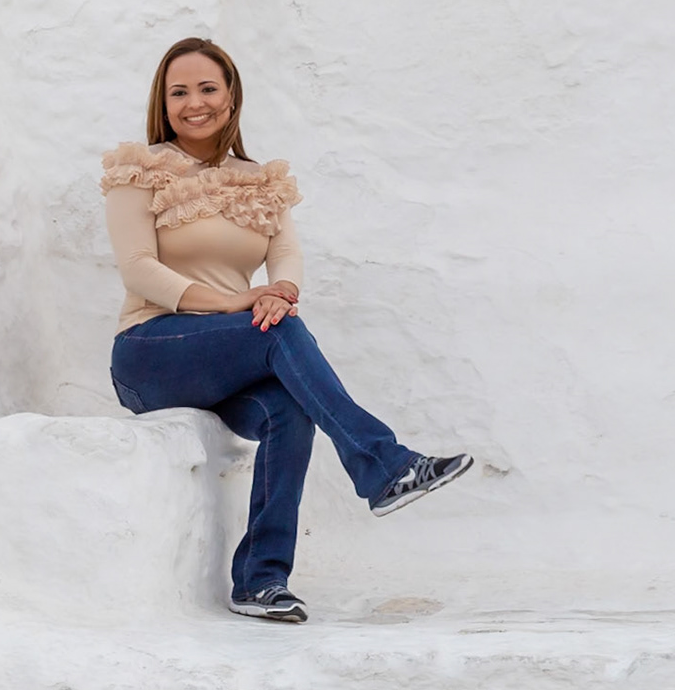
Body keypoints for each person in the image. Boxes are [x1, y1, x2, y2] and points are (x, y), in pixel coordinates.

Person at [102, 36, 470, 624]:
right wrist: (236, 302)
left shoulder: (259, 180)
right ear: (162, 102)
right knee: (274, 331)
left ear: (231, 96)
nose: (194, 102)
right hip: (152, 352)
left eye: (207, 88)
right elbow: (139, 270)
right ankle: (383, 466)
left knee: (289, 406)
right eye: (178, 92)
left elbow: (287, 252)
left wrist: (282, 291)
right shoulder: (139, 171)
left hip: (232, 348)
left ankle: (260, 583)